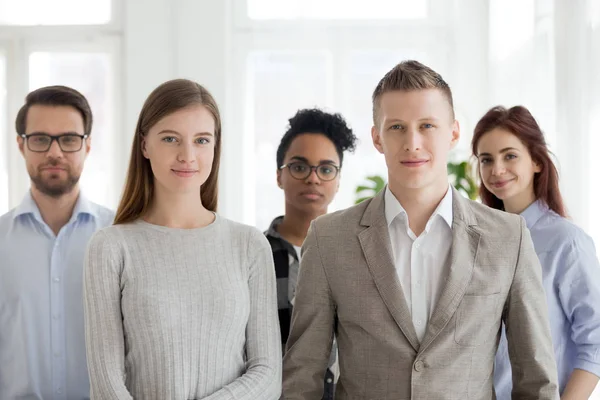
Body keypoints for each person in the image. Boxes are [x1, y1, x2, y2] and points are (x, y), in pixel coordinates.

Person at [281, 60, 559, 399]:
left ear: (453, 133)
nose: (412, 142)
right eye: (396, 127)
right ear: (377, 137)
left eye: (427, 125)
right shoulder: (328, 239)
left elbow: (537, 380)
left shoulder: (508, 238)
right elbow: (302, 376)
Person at [83, 79, 281, 400]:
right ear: (145, 145)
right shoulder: (110, 246)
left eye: (201, 140)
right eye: (170, 138)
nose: (187, 155)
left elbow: (267, 373)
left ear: (216, 147)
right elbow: (106, 381)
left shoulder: (248, 244)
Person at [472, 105, 600, 399]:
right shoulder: (479, 241)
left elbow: (596, 342)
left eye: (510, 156)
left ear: (537, 162)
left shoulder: (566, 242)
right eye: (486, 159)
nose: (497, 170)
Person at [0, 85, 114, 399]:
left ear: (87, 146)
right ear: (21, 146)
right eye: (40, 139)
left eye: (68, 139)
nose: (54, 152)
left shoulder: (120, 236)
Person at [266, 108, 357, 399]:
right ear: (280, 175)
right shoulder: (255, 255)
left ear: (338, 179)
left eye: (326, 168)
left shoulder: (357, 254)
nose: (313, 179)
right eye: (299, 166)